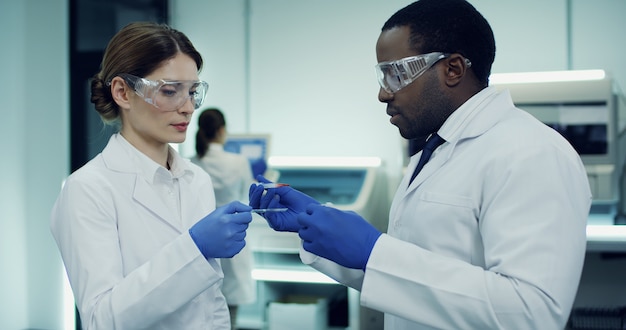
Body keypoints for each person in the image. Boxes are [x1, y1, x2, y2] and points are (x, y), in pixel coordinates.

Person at [249, 0, 592, 328]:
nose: (383, 93)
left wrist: (374, 251)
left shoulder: (531, 153)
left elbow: (531, 313)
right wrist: (317, 226)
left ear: (453, 69)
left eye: (395, 74)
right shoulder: (435, 150)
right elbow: (406, 284)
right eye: (382, 77)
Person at [50, 22, 253, 329]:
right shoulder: (87, 189)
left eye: (193, 92)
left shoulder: (196, 180)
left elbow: (211, 304)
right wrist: (195, 249)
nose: (188, 108)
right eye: (170, 91)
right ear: (122, 92)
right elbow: (102, 319)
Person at [191, 108, 256, 329]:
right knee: (229, 312)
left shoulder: (191, 163)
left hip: (201, 239)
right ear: (221, 130)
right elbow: (249, 195)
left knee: (205, 307)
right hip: (233, 237)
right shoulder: (238, 162)